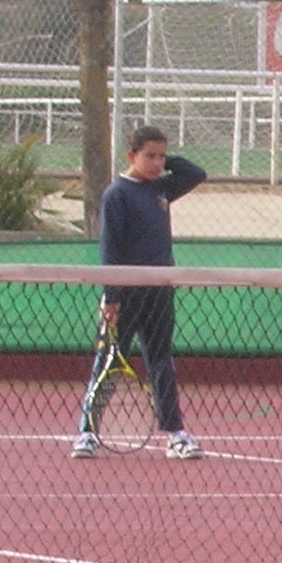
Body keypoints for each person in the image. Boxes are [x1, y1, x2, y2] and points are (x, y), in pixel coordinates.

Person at [74, 125, 205, 459]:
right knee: (108, 361)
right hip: (125, 295)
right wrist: (112, 295)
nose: (157, 163)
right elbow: (110, 248)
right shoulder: (117, 194)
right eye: (149, 156)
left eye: (162, 156)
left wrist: (167, 160)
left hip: (159, 291)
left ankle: (175, 434)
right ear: (131, 156)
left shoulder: (161, 188)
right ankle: (87, 433)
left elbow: (196, 174)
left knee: (161, 361)